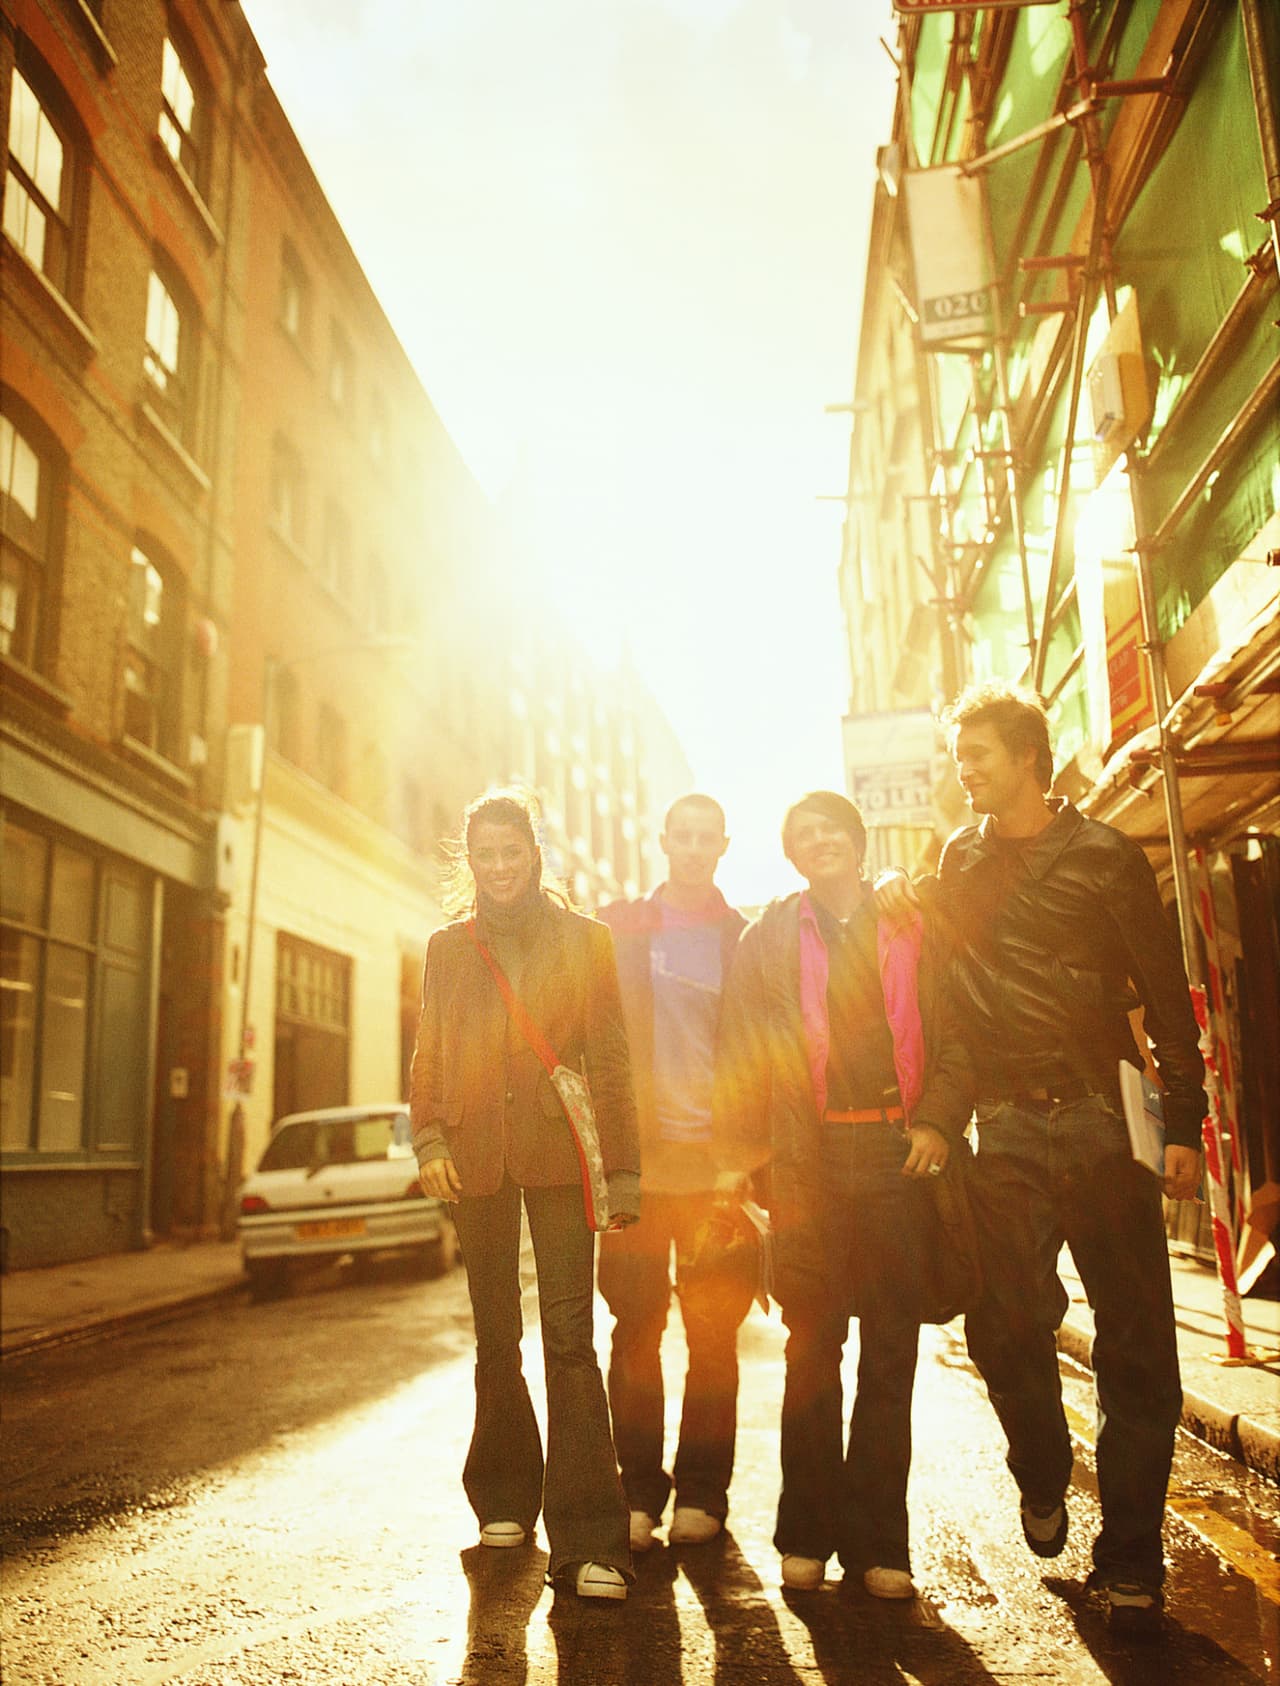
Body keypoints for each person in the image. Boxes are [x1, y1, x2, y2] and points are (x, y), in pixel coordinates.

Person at [879, 681, 1206, 1636]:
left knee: (1139, 1345)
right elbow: (938, 964)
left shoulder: (1108, 857)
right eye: (956, 755)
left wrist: (1182, 1121)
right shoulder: (962, 859)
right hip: (1007, 1129)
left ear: (1028, 755)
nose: (962, 771)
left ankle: (1133, 1563)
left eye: (976, 754)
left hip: (1105, 1121)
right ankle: (1042, 1467)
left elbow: (1167, 992)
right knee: (1005, 1326)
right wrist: (908, 892)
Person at [712, 790, 972, 1599]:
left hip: (900, 1152)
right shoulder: (768, 938)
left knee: (892, 1350)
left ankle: (880, 1546)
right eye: (802, 836)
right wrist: (742, 1159)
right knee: (811, 1350)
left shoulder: (914, 920)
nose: (818, 843)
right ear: (791, 854)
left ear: (859, 842)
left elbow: (960, 1031)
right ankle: (807, 1534)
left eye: (831, 830)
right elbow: (740, 1048)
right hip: (809, 1161)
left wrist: (936, 1121)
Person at [409, 789, 641, 1602]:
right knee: (496, 1330)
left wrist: (625, 1173)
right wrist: (430, 1138)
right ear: (468, 861)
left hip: (560, 1154)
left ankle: (589, 1539)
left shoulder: (587, 942)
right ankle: (504, 1494)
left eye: (512, 852)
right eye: (485, 855)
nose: (499, 868)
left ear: (535, 854)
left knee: (570, 1335)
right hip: (477, 1156)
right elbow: (430, 1048)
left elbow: (610, 1060)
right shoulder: (447, 948)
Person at [595, 794, 751, 1553]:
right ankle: (635, 1492)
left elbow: (763, 1054)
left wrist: (745, 1160)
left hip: (716, 1175)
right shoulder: (621, 928)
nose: (692, 849)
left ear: (724, 845)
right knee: (634, 1330)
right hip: (636, 1173)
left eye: (705, 838)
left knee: (714, 1336)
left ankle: (703, 1491)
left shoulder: (741, 938)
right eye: (679, 837)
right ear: (662, 842)